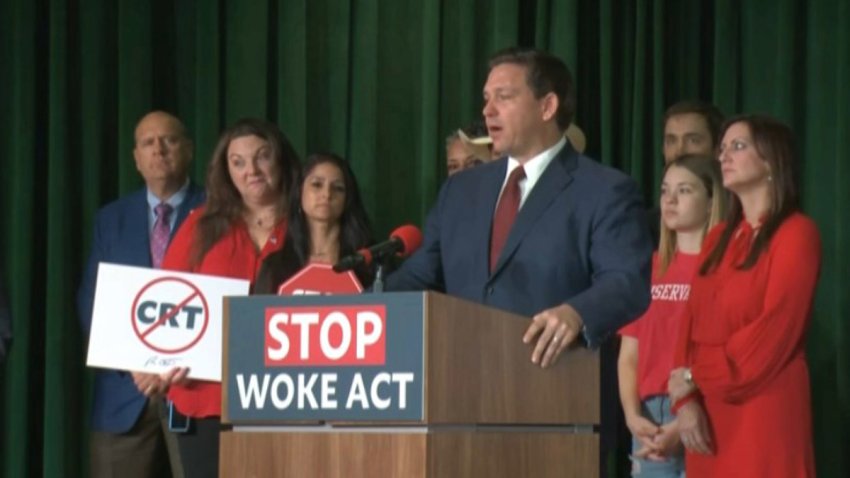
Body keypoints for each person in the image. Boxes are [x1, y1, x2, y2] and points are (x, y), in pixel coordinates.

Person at [387, 46, 652, 359]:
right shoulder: (460, 191)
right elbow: (419, 277)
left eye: (504, 96)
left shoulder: (604, 190)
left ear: (547, 106)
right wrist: (350, 306)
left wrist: (576, 313)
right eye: (486, 98)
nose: (487, 110)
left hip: (556, 382)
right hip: (459, 381)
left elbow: (626, 281)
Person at [668, 115, 820, 477]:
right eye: (722, 149)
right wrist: (686, 399)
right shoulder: (718, 237)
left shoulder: (797, 233)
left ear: (772, 160)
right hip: (707, 417)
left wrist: (692, 377)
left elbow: (771, 336)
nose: (724, 156)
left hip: (763, 410)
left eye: (738, 147)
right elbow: (689, 324)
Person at [159, 118, 300, 477]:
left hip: (285, 398)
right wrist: (152, 358)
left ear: (281, 160)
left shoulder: (306, 224)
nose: (250, 170)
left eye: (261, 157)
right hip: (205, 398)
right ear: (225, 171)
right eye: (237, 162)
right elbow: (165, 299)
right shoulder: (201, 224)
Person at [77, 111, 204, 478]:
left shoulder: (217, 211)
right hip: (124, 392)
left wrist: (179, 363)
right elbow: (92, 300)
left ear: (189, 150)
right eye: (148, 143)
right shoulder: (111, 218)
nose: (159, 150)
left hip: (194, 389)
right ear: (135, 157)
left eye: (169, 140)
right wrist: (136, 364)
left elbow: (227, 298)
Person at [618, 155, 725, 477]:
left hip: (706, 414)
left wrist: (683, 424)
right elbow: (629, 355)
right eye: (665, 191)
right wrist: (632, 416)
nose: (670, 200)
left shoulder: (722, 271)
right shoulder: (648, 269)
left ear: (711, 202)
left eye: (685, 190)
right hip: (650, 419)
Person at [255, 153, 374, 293]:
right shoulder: (274, 267)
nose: (327, 194)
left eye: (338, 188)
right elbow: (257, 314)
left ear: (347, 200)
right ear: (300, 193)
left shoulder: (369, 262)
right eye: (317, 185)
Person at [648, 101, 724, 245]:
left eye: (693, 140)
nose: (680, 151)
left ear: (717, 149)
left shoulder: (742, 221)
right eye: (671, 141)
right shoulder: (647, 228)